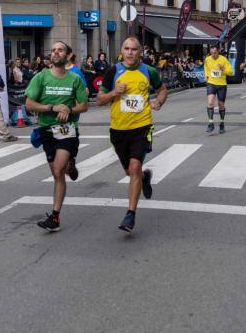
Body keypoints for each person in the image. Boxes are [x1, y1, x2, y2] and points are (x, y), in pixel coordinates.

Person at [97, 36, 168, 233]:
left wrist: (159, 102)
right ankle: (144, 177)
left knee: (134, 166)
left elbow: (162, 90)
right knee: (130, 171)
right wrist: (114, 93)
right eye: (126, 49)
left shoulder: (149, 71)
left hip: (142, 126)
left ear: (140, 52)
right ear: (122, 51)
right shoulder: (113, 72)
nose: (130, 52)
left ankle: (130, 214)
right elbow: (99, 99)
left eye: (134, 49)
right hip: (118, 129)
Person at [25, 41, 89, 232]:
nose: (55, 52)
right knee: (57, 173)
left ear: (68, 55)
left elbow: (84, 105)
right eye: (53, 50)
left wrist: (69, 109)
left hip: (67, 129)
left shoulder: (75, 79)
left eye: (60, 50)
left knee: (58, 169)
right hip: (46, 130)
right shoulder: (41, 77)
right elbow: (29, 103)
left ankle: (55, 216)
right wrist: (51, 108)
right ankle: (71, 164)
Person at [203, 44, 234, 133]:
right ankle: (211, 123)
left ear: (218, 52)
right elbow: (205, 67)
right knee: (210, 103)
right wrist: (206, 75)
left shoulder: (223, 59)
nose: (213, 55)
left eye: (215, 53)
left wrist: (223, 69)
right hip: (211, 83)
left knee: (221, 105)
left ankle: (221, 123)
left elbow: (231, 72)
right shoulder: (207, 59)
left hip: (221, 85)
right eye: (211, 53)